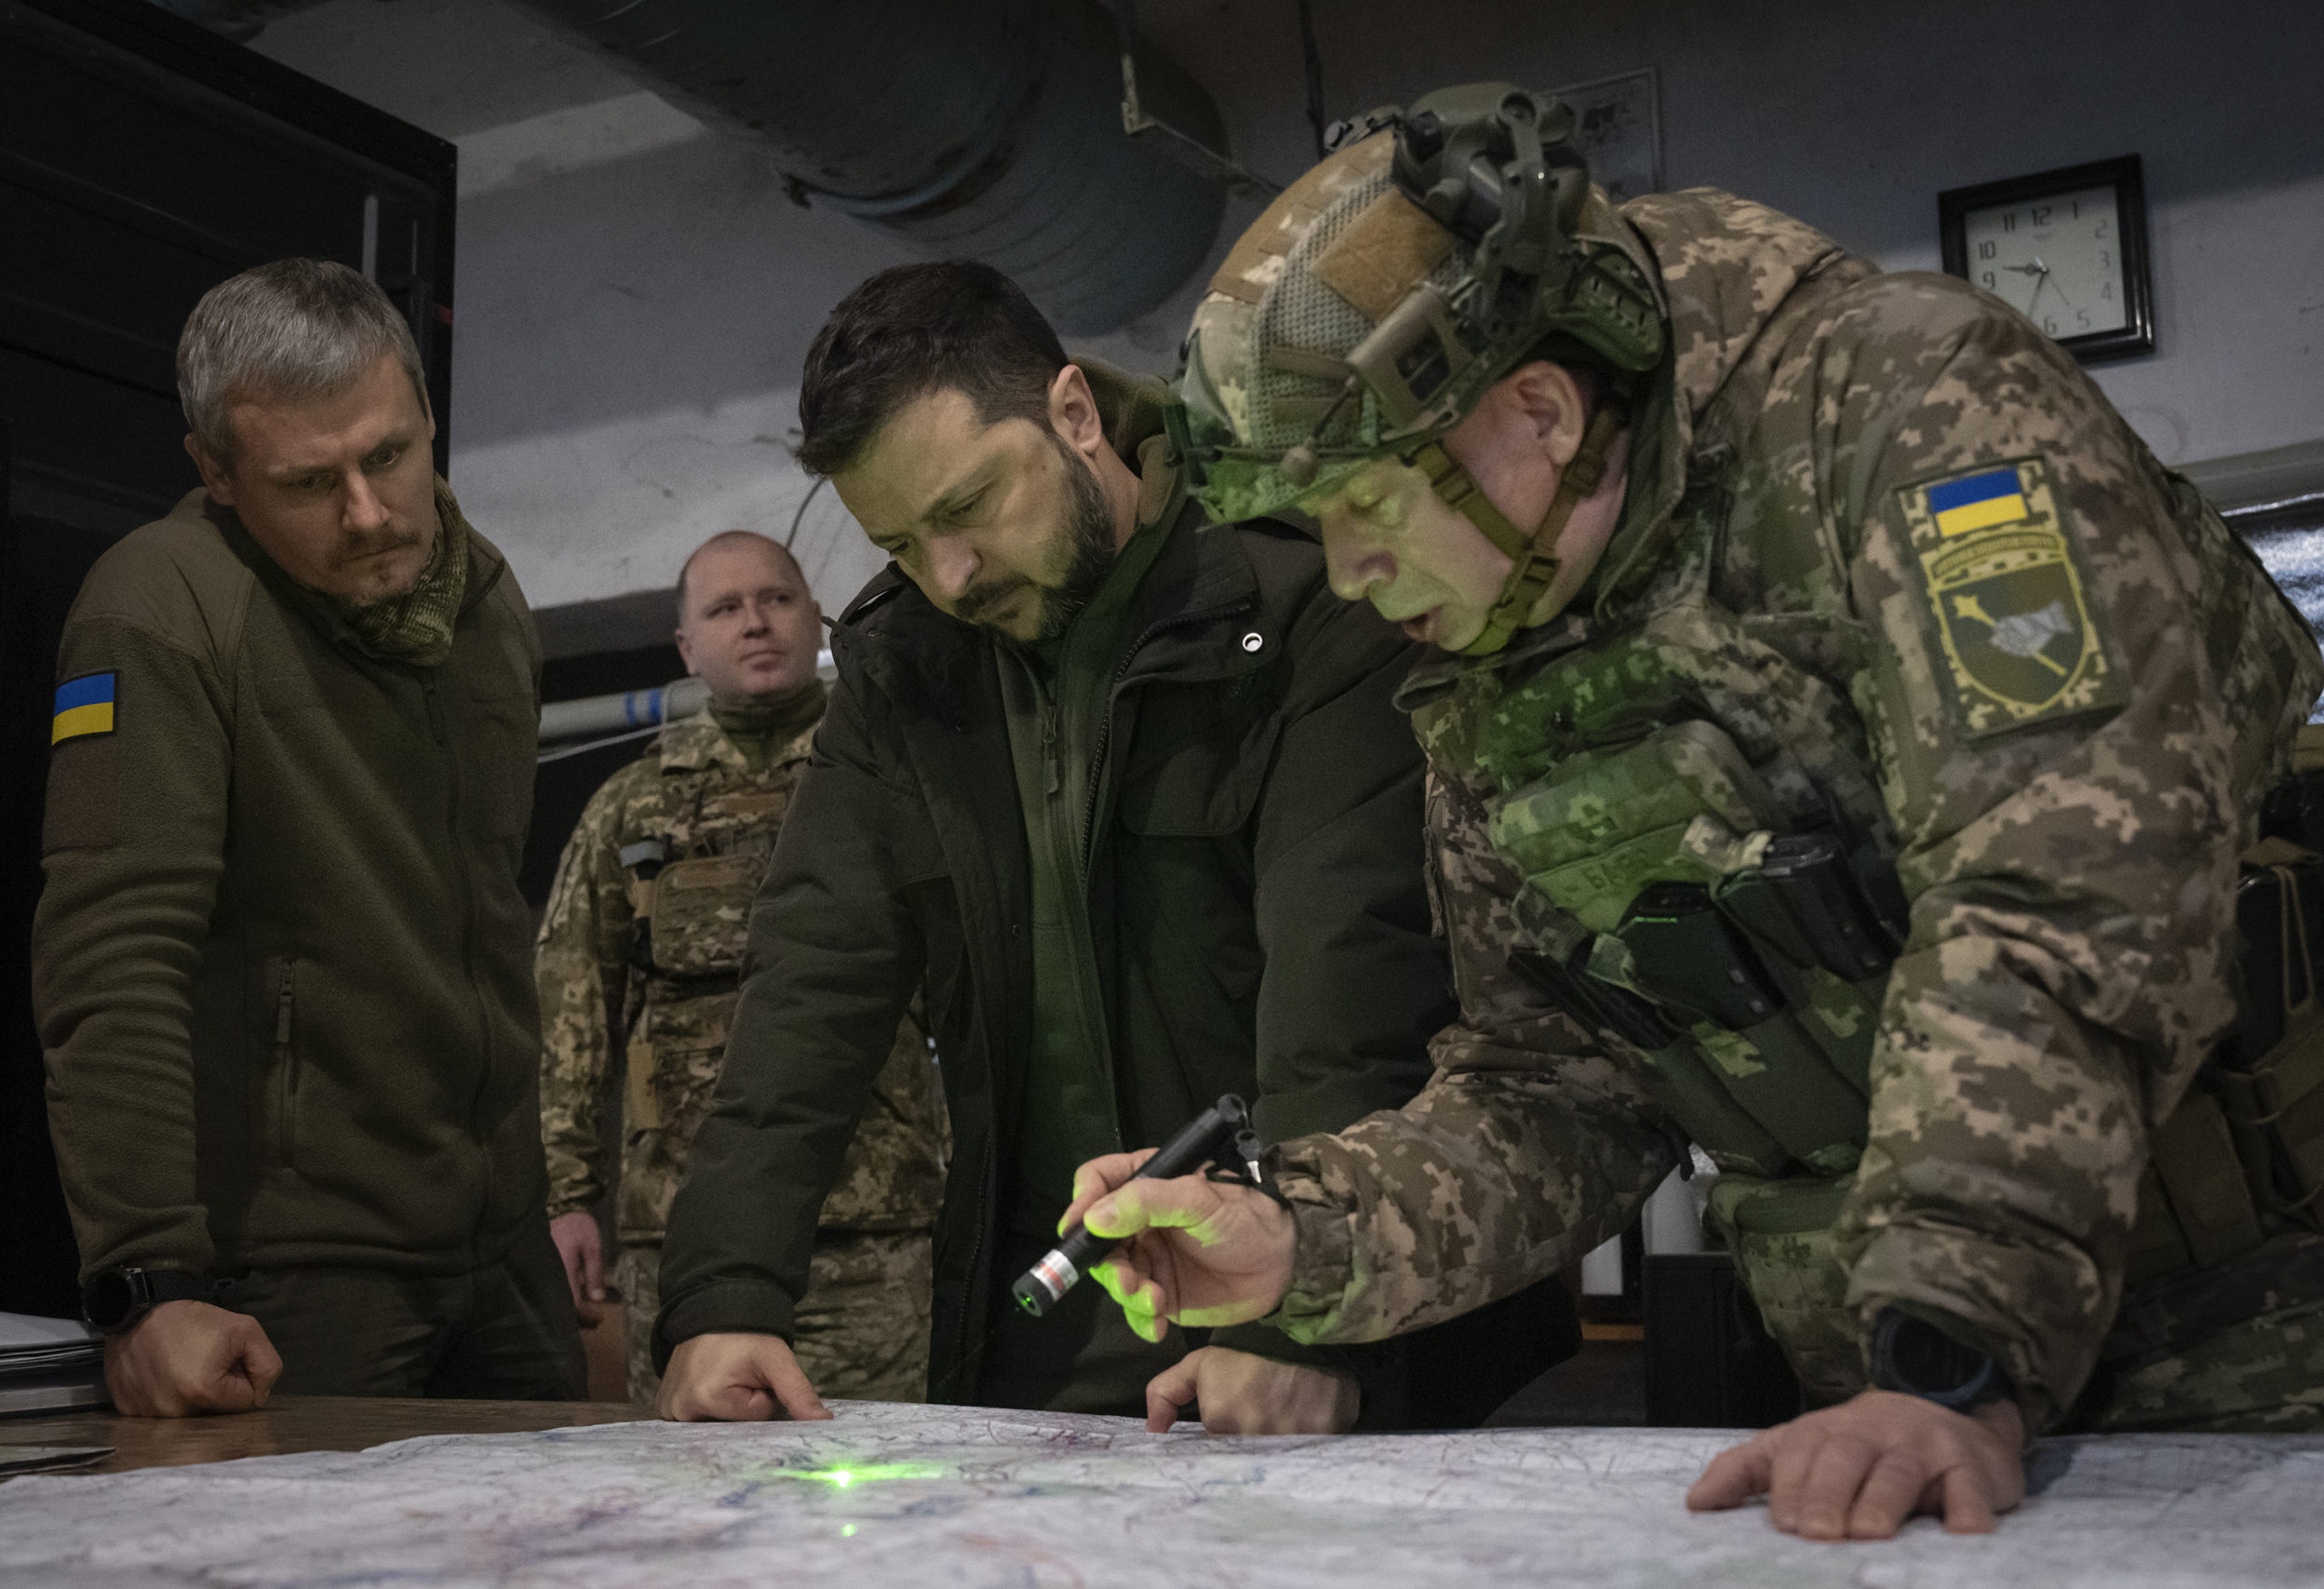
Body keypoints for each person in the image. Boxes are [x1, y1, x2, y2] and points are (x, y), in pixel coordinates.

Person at [1059, 83, 2324, 1535]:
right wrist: (1304, 1233)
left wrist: (1948, 1337)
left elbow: (2063, 877)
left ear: (1534, 409)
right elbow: (1559, 1084)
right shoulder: (1499, 640)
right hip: (1902, 1395)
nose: (1346, 574)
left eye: (1368, 507)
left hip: (2253, 1347)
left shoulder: (1907, 407)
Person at [652, 261, 1578, 1432]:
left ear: (1075, 415)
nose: (947, 575)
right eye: (898, 543)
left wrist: (1291, 1315)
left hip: (1346, 1317)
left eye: (967, 507)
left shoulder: (1298, 596)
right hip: (1053, 1330)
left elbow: (1349, 985)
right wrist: (722, 1295)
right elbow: (808, 986)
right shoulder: (906, 673)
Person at [34, 259, 584, 1414]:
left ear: (428, 419)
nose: (370, 513)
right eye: (308, 481)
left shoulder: (489, 603)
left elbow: (487, 919)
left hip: (505, 1257)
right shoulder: (159, 603)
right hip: (294, 1275)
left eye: (389, 455)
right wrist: (144, 1281)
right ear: (217, 474)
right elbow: (111, 955)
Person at [538, 529, 948, 1408]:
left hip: (875, 1230)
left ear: (817, 618)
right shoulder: (629, 807)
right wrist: (568, 1194)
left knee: (895, 1490)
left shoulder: (899, 779)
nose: (755, 623)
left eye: (777, 599)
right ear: (687, 648)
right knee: (702, 1501)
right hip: (682, 1232)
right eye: (725, 609)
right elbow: (572, 1009)